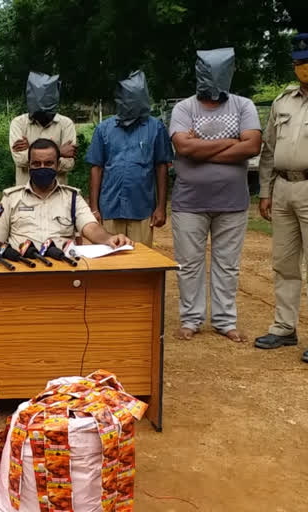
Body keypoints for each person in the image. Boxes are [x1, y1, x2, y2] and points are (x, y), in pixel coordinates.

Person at [169, 48, 262, 343]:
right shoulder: (184, 108)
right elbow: (184, 149)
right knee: (189, 263)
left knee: (227, 264)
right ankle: (191, 319)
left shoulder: (243, 105)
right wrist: (232, 142)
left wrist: (202, 149)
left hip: (232, 202)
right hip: (189, 202)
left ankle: (225, 320)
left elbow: (252, 147)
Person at [254, 33, 308, 363]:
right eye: (299, 62)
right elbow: (269, 150)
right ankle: (284, 327)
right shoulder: (283, 101)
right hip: (284, 188)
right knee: (284, 263)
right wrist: (265, 191)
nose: (302, 67)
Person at [0, 138, 132, 250]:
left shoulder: (73, 198)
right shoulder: (11, 199)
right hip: (23, 270)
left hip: (63, 268)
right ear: (29, 166)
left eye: (48, 163)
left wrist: (108, 239)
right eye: (36, 164)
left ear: (58, 166)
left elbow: (91, 228)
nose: (42, 168)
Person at [87, 71, 174, 247]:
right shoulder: (103, 129)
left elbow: (161, 167)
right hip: (109, 207)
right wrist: (94, 208)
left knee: (140, 260)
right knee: (109, 260)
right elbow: (96, 168)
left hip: (141, 208)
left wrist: (160, 208)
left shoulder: (155, 128)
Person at [9, 72, 77, 186]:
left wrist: (30, 151)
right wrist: (59, 152)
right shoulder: (18, 123)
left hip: (57, 195)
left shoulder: (66, 124)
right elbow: (20, 160)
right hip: (25, 195)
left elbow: (69, 164)